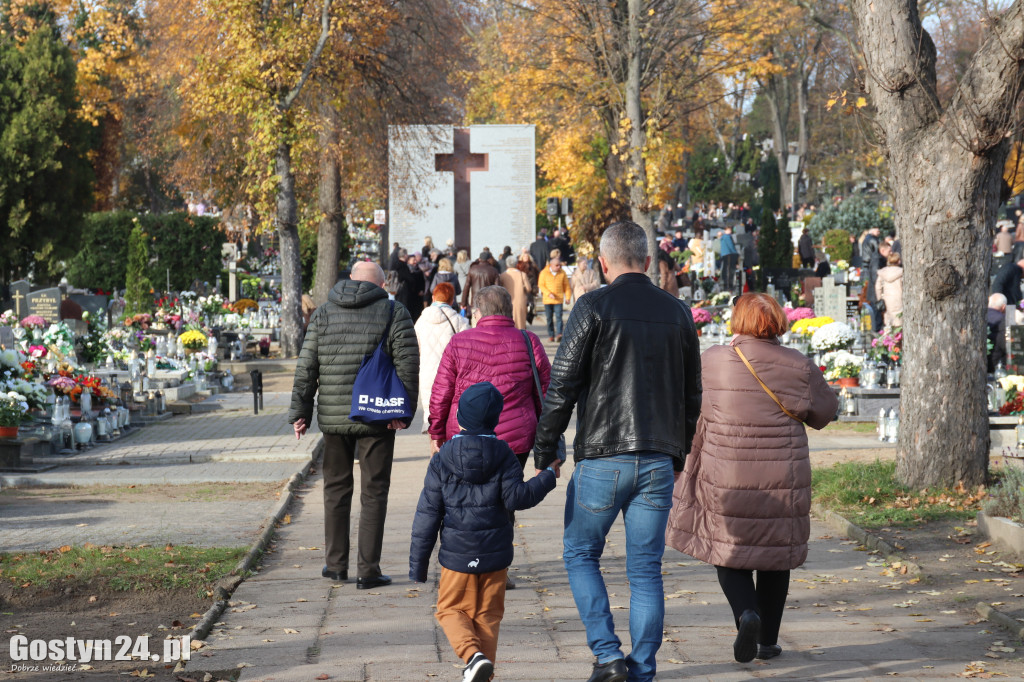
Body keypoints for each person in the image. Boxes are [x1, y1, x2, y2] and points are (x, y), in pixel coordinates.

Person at [533, 221, 702, 682]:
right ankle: (642, 669)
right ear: (647, 262)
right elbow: (692, 394)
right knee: (646, 568)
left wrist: (545, 446)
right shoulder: (678, 312)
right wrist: (678, 454)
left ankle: (608, 655)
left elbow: (561, 385)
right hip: (657, 458)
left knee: (580, 553)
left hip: (604, 455)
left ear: (604, 264)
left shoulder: (592, 306)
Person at [666, 293, 837, 664]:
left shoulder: (713, 360)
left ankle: (747, 614)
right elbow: (825, 413)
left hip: (725, 475)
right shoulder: (799, 364)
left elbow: (691, 404)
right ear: (779, 322)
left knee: (727, 549)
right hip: (782, 477)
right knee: (776, 555)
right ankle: (768, 642)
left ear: (736, 322)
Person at [410, 382, 557, 682]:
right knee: (488, 617)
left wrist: (418, 566)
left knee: (449, 610)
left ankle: (472, 656)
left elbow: (427, 514)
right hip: (495, 556)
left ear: (460, 418)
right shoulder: (504, 453)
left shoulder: (442, 457)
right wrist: (547, 477)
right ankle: (481, 671)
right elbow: (518, 498)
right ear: (495, 420)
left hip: (456, 557)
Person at [288, 261, 419, 589]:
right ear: (381, 283)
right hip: (376, 415)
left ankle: (335, 565)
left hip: (333, 419)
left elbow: (307, 366)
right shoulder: (393, 312)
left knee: (335, 489)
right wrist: (403, 411)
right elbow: (408, 365)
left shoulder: (323, 312)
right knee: (374, 491)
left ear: (350, 280)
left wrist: (300, 412)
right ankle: (368, 570)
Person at [429, 286, 550, 471]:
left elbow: (441, 393)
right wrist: (549, 438)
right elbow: (545, 392)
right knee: (509, 494)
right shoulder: (528, 340)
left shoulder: (458, 342)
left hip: (465, 437)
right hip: (516, 438)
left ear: (478, 312)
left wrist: (436, 432)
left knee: (467, 495)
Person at [414, 282, 469, 434]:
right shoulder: (460, 321)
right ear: (452, 300)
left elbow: (414, 350)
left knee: (431, 418)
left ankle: (434, 454)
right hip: (451, 375)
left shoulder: (420, 321)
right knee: (451, 417)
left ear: (433, 297)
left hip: (427, 373)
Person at [538, 256, 572, 342]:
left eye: (559, 265)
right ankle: (551, 335)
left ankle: (559, 334)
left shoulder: (562, 273)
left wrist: (568, 297)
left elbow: (567, 286)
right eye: (557, 265)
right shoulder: (544, 273)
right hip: (547, 300)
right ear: (551, 265)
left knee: (559, 317)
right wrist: (549, 293)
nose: (558, 267)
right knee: (549, 318)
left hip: (558, 299)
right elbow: (541, 285)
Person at [499, 255, 532, 330]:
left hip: (507, 301)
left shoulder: (503, 275)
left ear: (507, 264)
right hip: (520, 300)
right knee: (520, 321)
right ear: (516, 263)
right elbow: (529, 288)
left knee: (508, 320)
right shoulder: (522, 274)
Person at [874, 252, 904, 328]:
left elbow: (878, 287)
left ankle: (888, 338)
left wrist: (880, 298)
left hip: (886, 299)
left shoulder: (883, 272)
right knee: (899, 321)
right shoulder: (901, 272)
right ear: (899, 261)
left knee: (888, 322)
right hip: (899, 298)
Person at [988, 293, 1008, 374]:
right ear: (1003, 307)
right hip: (995, 365)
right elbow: (1004, 345)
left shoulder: (979, 316)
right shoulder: (1003, 320)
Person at [720, 225, 739, 290]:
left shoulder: (722, 237)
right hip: (729, 254)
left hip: (724, 254)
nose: (730, 231)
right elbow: (731, 246)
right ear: (726, 230)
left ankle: (726, 284)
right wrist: (736, 253)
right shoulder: (727, 237)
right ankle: (729, 285)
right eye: (729, 229)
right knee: (730, 270)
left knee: (725, 269)